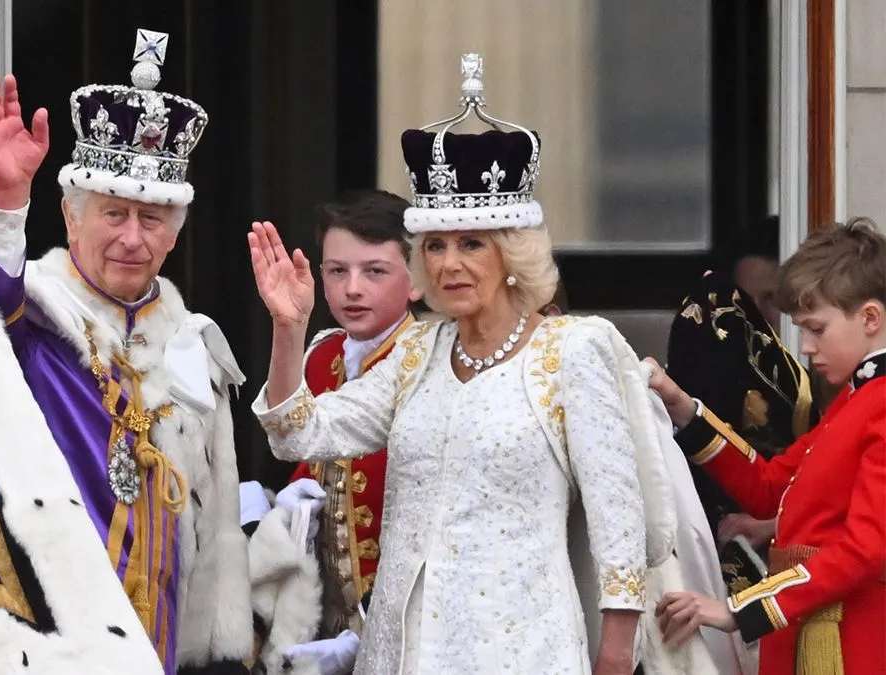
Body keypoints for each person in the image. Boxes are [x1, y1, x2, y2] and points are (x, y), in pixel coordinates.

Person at [246, 55, 715, 675]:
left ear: (513, 254)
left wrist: (616, 648)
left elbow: (617, 518)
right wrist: (287, 327)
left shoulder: (570, 350)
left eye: (472, 244)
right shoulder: (415, 354)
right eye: (435, 246)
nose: (449, 264)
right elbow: (297, 433)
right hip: (402, 647)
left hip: (522, 644)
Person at [0, 30, 252, 675]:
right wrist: (5, 204)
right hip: (48, 637)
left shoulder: (191, 344)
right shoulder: (32, 319)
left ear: (175, 235)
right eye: (114, 214)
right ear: (71, 215)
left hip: (160, 640)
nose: (133, 238)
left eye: (153, 220)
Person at [651, 218, 886, 674]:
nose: (806, 347)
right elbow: (770, 484)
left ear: (870, 318)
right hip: (810, 632)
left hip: (850, 642)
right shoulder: (857, 399)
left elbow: (868, 547)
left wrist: (741, 612)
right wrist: (683, 408)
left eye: (817, 329)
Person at [240, 189, 420, 675]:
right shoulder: (322, 353)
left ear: (416, 278)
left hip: (407, 625)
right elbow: (291, 442)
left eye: (374, 271)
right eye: (337, 271)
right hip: (321, 621)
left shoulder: (429, 363)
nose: (352, 288)